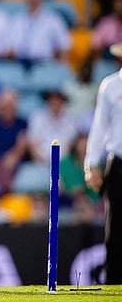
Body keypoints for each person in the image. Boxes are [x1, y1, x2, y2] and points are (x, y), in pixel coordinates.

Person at [84, 43, 122, 284]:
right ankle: (114, 281)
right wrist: (92, 164)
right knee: (116, 227)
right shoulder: (110, 86)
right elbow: (99, 128)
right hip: (119, 162)